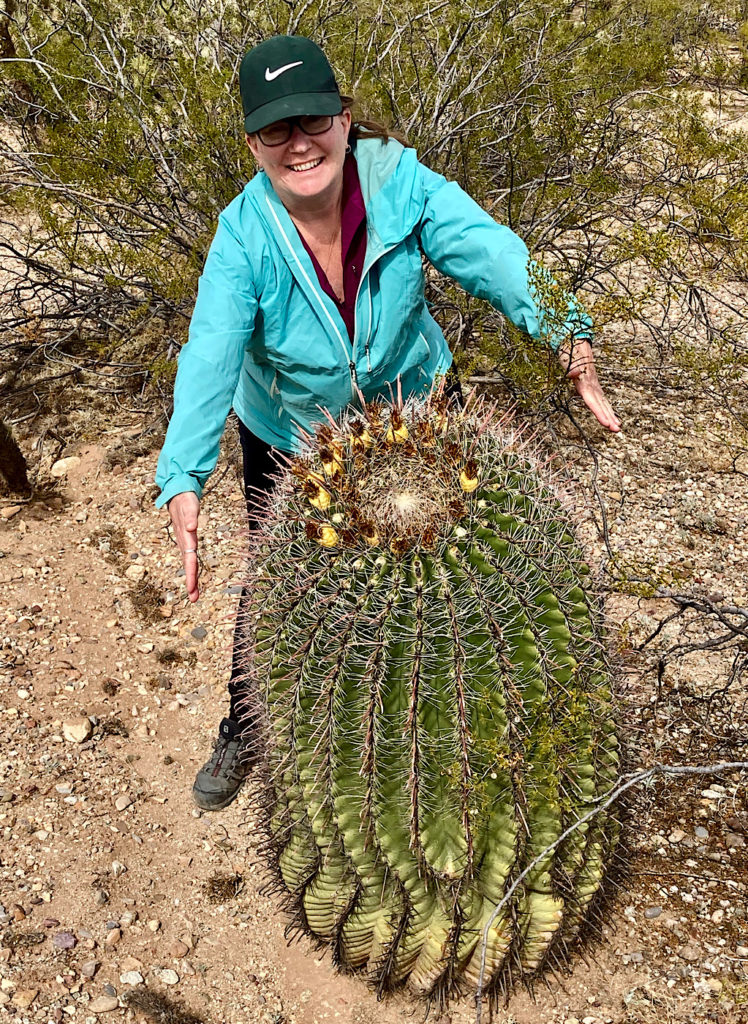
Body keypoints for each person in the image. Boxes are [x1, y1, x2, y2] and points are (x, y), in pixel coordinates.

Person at [154, 34, 621, 812]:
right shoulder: (243, 234)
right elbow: (211, 350)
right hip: (292, 430)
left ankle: (488, 715)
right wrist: (185, 476)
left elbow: (490, 252)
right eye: (276, 130)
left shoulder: (400, 184)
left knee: (467, 562)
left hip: (415, 407)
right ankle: (248, 722)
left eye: (312, 119)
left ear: (343, 118)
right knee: (280, 581)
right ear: (252, 143)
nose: (299, 143)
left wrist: (566, 331)